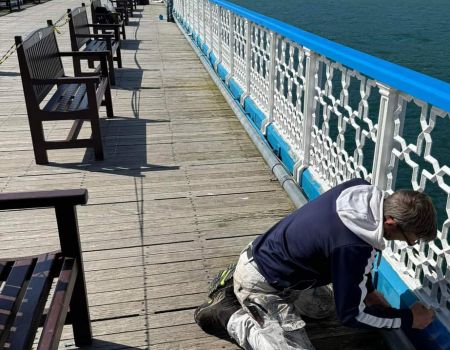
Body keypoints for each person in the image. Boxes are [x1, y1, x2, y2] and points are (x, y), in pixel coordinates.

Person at [194, 178, 437, 349]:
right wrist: (409, 319)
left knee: (323, 309)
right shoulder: (353, 246)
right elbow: (351, 316)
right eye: (410, 240)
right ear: (391, 222)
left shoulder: (359, 191)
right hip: (261, 281)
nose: (408, 244)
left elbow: (352, 257)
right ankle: (228, 313)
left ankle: (237, 282)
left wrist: (369, 292)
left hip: (276, 262)